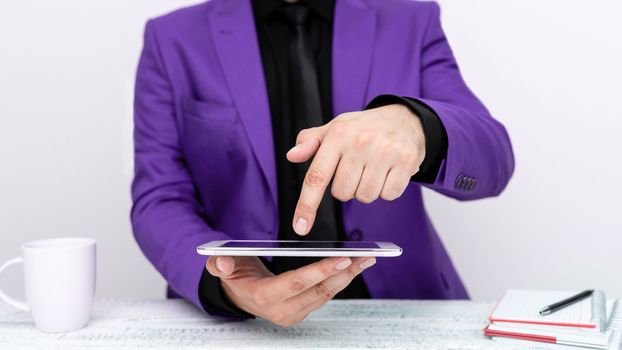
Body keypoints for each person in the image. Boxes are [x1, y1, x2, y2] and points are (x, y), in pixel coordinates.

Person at [131, 0, 514, 327]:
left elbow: (493, 160)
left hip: (401, 309)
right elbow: (159, 197)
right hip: (243, 319)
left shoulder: (410, 19)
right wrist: (227, 282)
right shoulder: (173, 39)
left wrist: (417, 125)